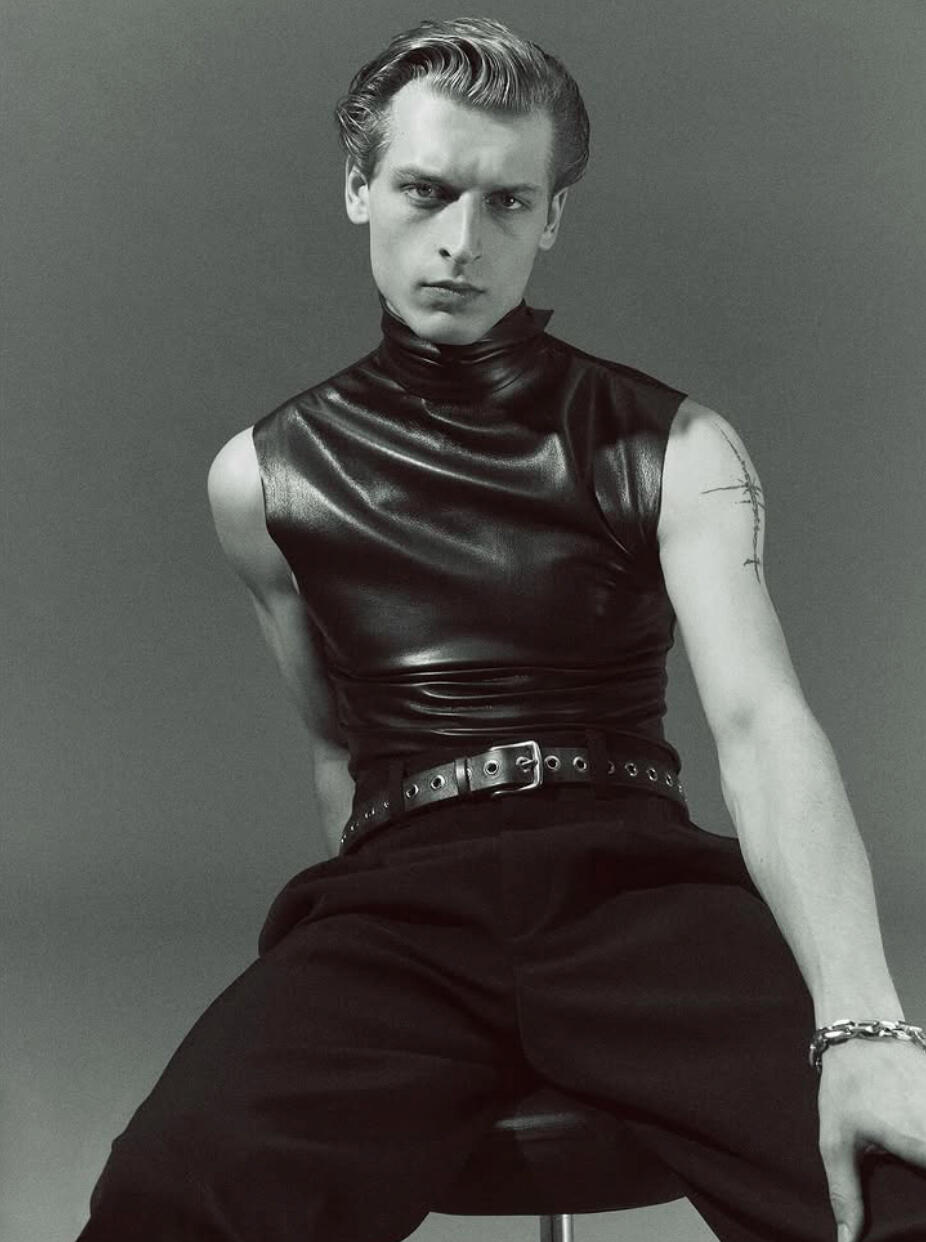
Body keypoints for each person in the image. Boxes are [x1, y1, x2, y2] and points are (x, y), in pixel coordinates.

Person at [77, 17, 926, 1242]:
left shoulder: (675, 445)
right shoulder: (260, 480)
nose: (461, 242)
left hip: (632, 889)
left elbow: (759, 722)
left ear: (550, 217)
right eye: (424, 191)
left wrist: (863, 1025)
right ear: (359, 188)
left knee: (897, 1190)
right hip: (401, 912)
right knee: (168, 1195)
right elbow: (341, 751)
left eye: (506, 202)